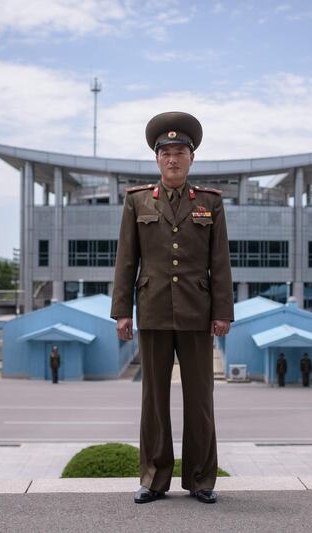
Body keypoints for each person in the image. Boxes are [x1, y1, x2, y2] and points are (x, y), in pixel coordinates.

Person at [111, 111, 233, 505]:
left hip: (198, 313)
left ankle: (200, 480)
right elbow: (126, 260)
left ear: (192, 158)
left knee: (200, 400)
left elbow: (221, 262)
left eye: (180, 152)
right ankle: (154, 478)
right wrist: (122, 311)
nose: (173, 159)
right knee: (154, 400)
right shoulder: (137, 201)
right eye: (166, 153)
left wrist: (222, 312)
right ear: (157, 159)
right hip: (153, 310)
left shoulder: (210, 203)